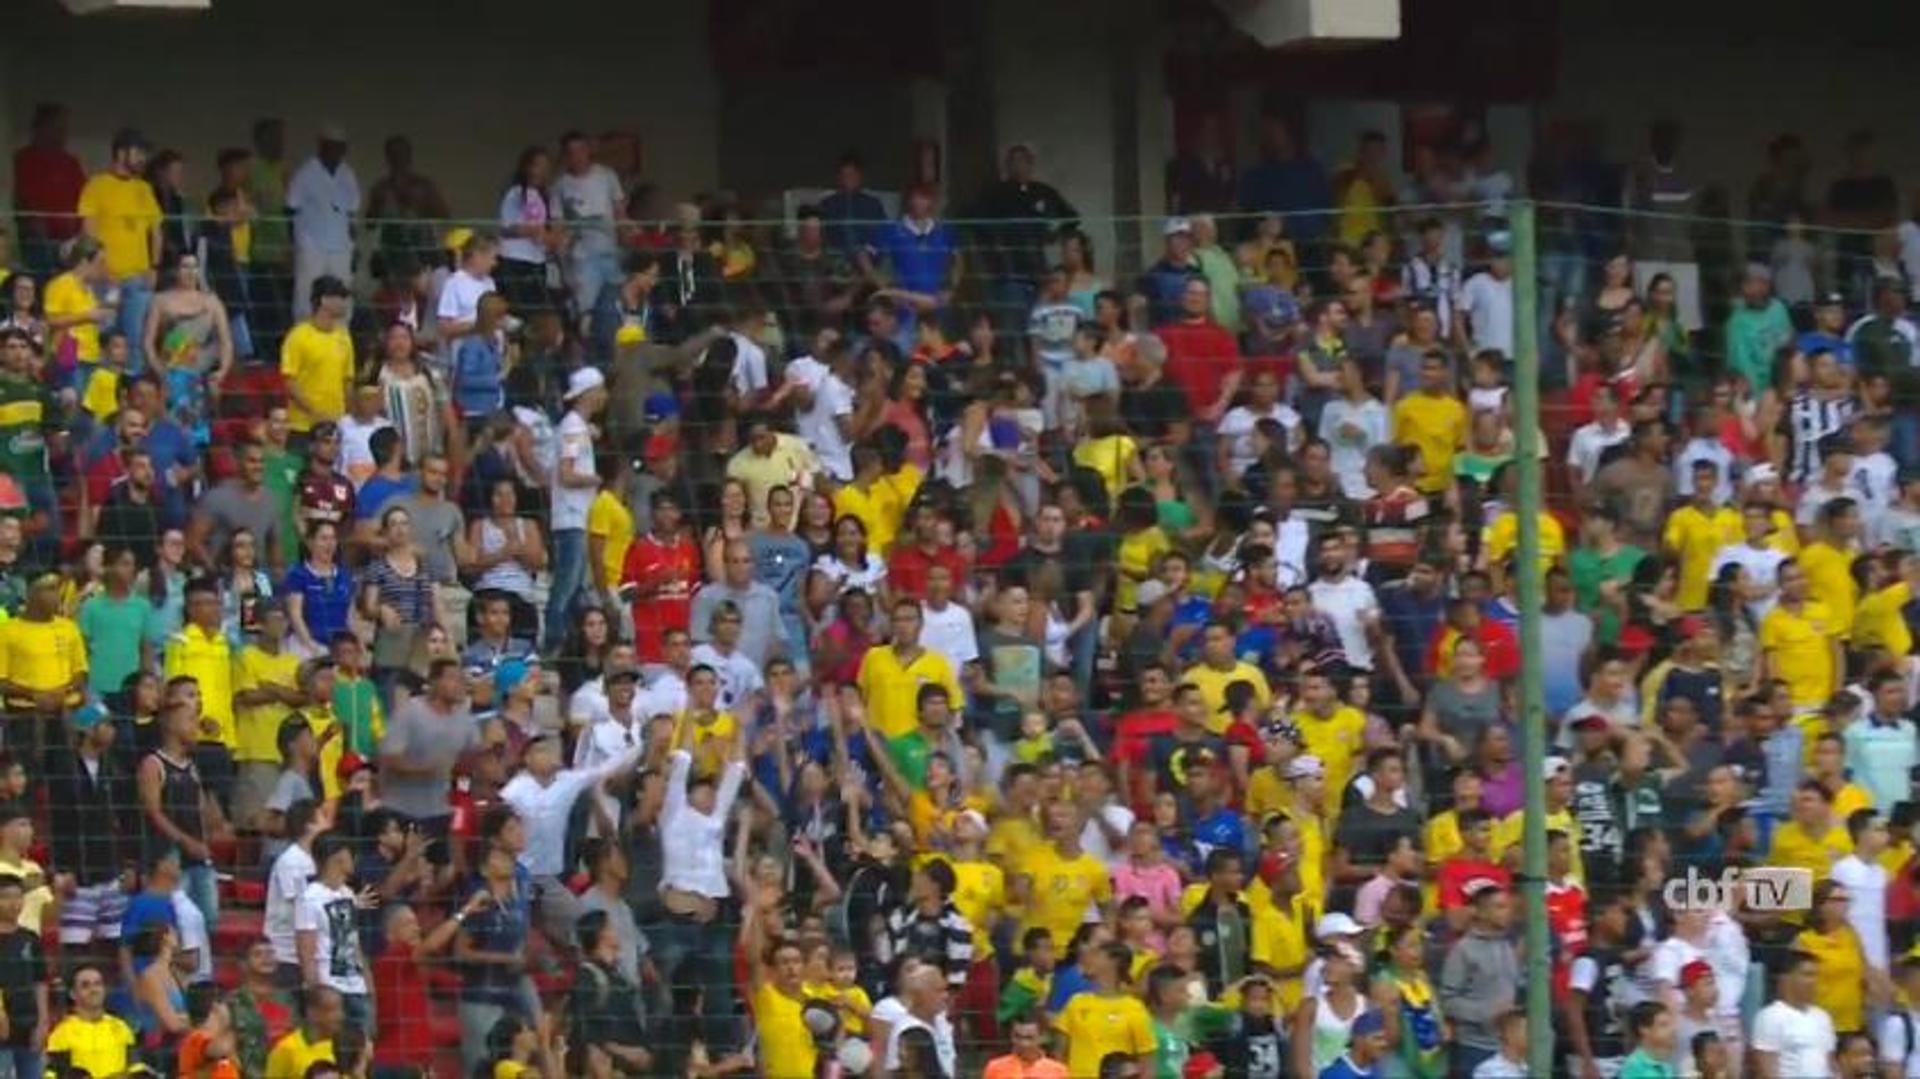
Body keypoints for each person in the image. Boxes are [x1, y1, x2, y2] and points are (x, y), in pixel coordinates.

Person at [546, 366, 606, 649]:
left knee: (577, 587)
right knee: (566, 585)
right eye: (600, 390)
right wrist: (595, 479)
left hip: (578, 516)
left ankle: (572, 642)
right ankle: (554, 641)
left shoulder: (577, 427)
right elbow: (566, 474)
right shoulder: (572, 427)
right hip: (572, 517)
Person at [286, 127, 359, 321]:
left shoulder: (347, 174)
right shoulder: (306, 173)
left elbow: (352, 213)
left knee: (342, 292)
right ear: (321, 147)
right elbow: (291, 207)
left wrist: (354, 246)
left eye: (340, 148)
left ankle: (341, 338)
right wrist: (292, 244)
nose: (336, 152)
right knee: (307, 294)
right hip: (311, 246)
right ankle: (303, 334)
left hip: (341, 246)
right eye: (331, 147)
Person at [1750, 950, 1836, 1079]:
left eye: (1816, 975)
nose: (1814, 981)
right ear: (1786, 979)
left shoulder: (1823, 1017)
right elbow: (1766, 1071)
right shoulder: (1770, 1017)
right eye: (1808, 975)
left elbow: (1829, 1065)